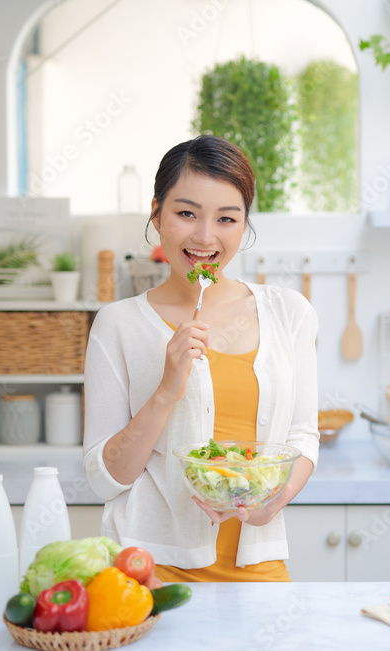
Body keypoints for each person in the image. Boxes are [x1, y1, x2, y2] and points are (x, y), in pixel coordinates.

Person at [82, 135, 319, 582]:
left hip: (259, 568)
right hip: (149, 571)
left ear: (244, 224)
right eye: (186, 213)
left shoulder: (290, 313)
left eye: (226, 218)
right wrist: (167, 390)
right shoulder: (118, 325)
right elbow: (106, 477)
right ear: (157, 214)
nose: (205, 237)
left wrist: (276, 499)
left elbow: (303, 435)